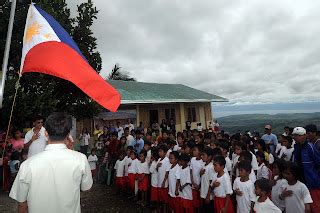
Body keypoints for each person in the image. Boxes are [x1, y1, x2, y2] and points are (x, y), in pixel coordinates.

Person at [9, 112, 93, 213]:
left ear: (46, 133)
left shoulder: (27, 165)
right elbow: (86, 188)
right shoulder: (81, 159)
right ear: (67, 135)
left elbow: (22, 204)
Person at [292, 127, 320, 212]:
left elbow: (318, 162)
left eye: (297, 135)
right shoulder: (296, 146)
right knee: (303, 203)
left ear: (304, 136)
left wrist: (315, 176)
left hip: (312, 180)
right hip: (300, 179)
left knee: (314, 203)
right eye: (294, 135)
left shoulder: (310, 147)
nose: (295, 137)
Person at [156, 144, 171, 212]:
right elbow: (157, 170)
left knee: (165, 199)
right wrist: (157, 166)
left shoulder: (167, 160)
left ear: (165, 152)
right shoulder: (159, 159)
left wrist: (164, 182)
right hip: (159, 181)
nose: (159, 153)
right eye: (159, 151)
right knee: (160, 198)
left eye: (161, 151)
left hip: (164, 183)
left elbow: (167, 172)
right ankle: (160, 210)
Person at [190, 144, 205, 211]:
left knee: (200, 203)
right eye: (193, 150)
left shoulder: (203, 162)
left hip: (200, 185)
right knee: (194, 203)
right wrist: (193, 182)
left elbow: (203, 175)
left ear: (200, 151)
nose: (193, 151)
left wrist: (199, 185)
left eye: (195, 150)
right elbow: (191, 171)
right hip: (194, 184)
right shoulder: (192, 159)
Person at [200, 147, 214, 212]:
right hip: (203, 193)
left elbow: (211, 183)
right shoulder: (203, 165)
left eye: (203, 155)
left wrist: (208, 196)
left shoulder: (211, 167)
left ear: (209, 157)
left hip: (208, 196)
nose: (201, 156)